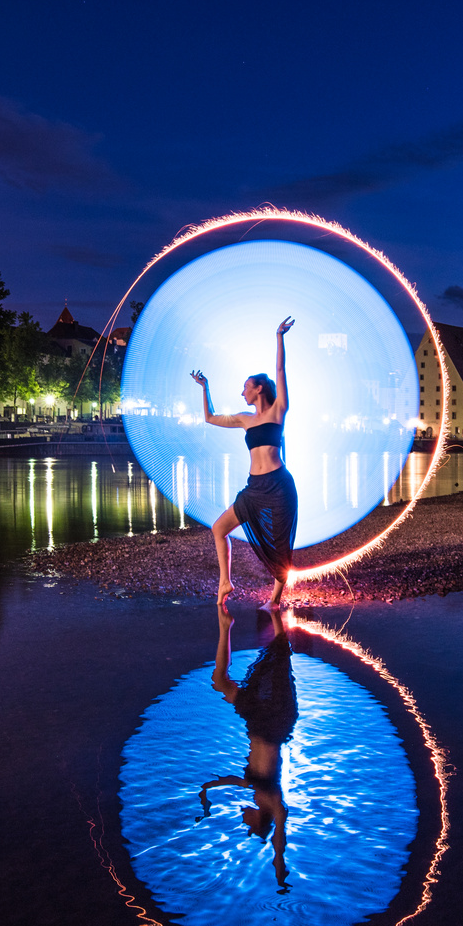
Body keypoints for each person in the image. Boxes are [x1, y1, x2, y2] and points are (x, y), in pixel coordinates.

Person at [190, 317, 297, 609]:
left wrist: (279, 337)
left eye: (246, 387)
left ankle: (274, 600)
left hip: (278, 486)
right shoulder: (244, 420)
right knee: (218, 528)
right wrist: (205, 387)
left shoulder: (278, 410)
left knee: (280, 546)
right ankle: (225, 582)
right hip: (254, 488)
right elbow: (210, 417)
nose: (242, 392)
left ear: (259, 389)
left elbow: (280, 369)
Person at [199, 606, 295, 890]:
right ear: (259, 821)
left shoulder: (257, 791)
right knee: (226, 682)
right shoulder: (275, 804)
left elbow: (234, 781)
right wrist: (279, 868)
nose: (244, 819)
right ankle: (229, 625)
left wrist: (207, 790)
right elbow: (280, 839)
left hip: (265, 723)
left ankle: (265, 619)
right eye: (248, 824)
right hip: (268, 724)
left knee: (233, 681)